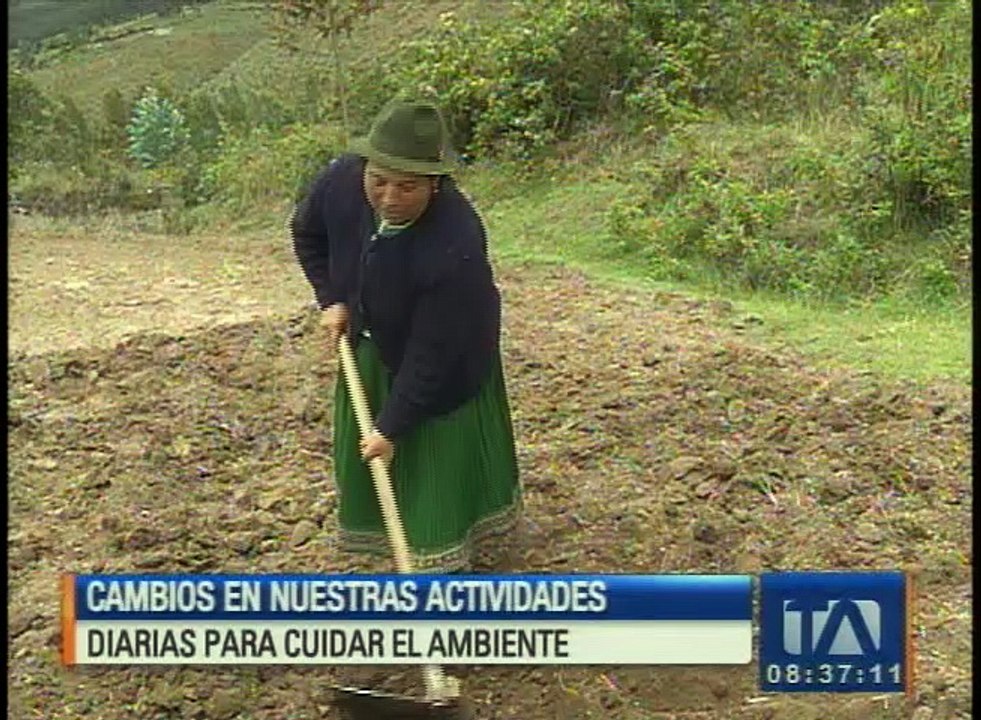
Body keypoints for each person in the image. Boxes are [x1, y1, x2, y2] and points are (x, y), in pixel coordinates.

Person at [290, 98, 523, 573]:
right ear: (365, 167)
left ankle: (441, 552)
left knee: (432, 450)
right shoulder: (340, 181)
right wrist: (331, 298)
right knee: (376, 453)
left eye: (407, 187)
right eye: (379, 182)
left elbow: (433, 356)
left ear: (435, 183)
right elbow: (307, 233)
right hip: (371, 344)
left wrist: (390, 425)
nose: (390, 197)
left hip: (448, 359)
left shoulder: (455, 243)